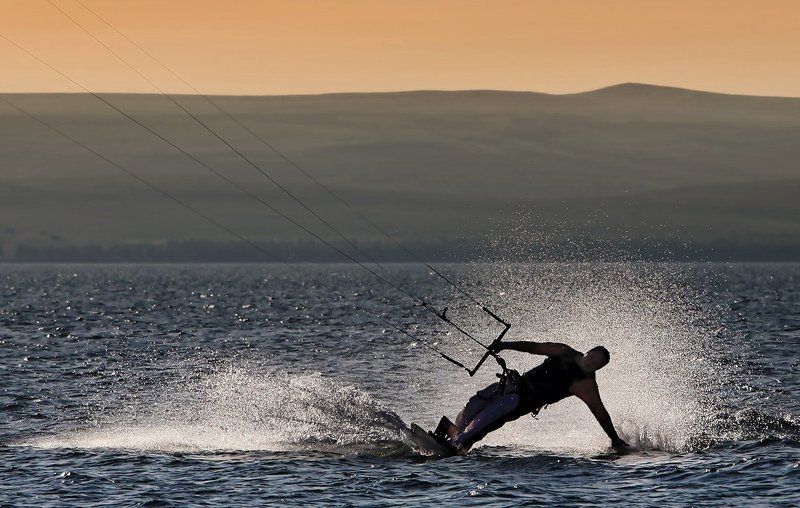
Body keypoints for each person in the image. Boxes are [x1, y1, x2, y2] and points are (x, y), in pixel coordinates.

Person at [437, 340, 630, 453]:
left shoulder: (585, 384)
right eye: (593, 357)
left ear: (599, 369)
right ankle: (448, 433)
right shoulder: (565, 352)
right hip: (512, 384)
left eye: (597, 364)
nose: (592, 363)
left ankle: (458, 443)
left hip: (520, 402)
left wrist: (614, 438)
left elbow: (601, 413)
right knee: (472, 406)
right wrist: (505, 345)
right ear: (587, 352)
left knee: (484, 421)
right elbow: (534, 347)